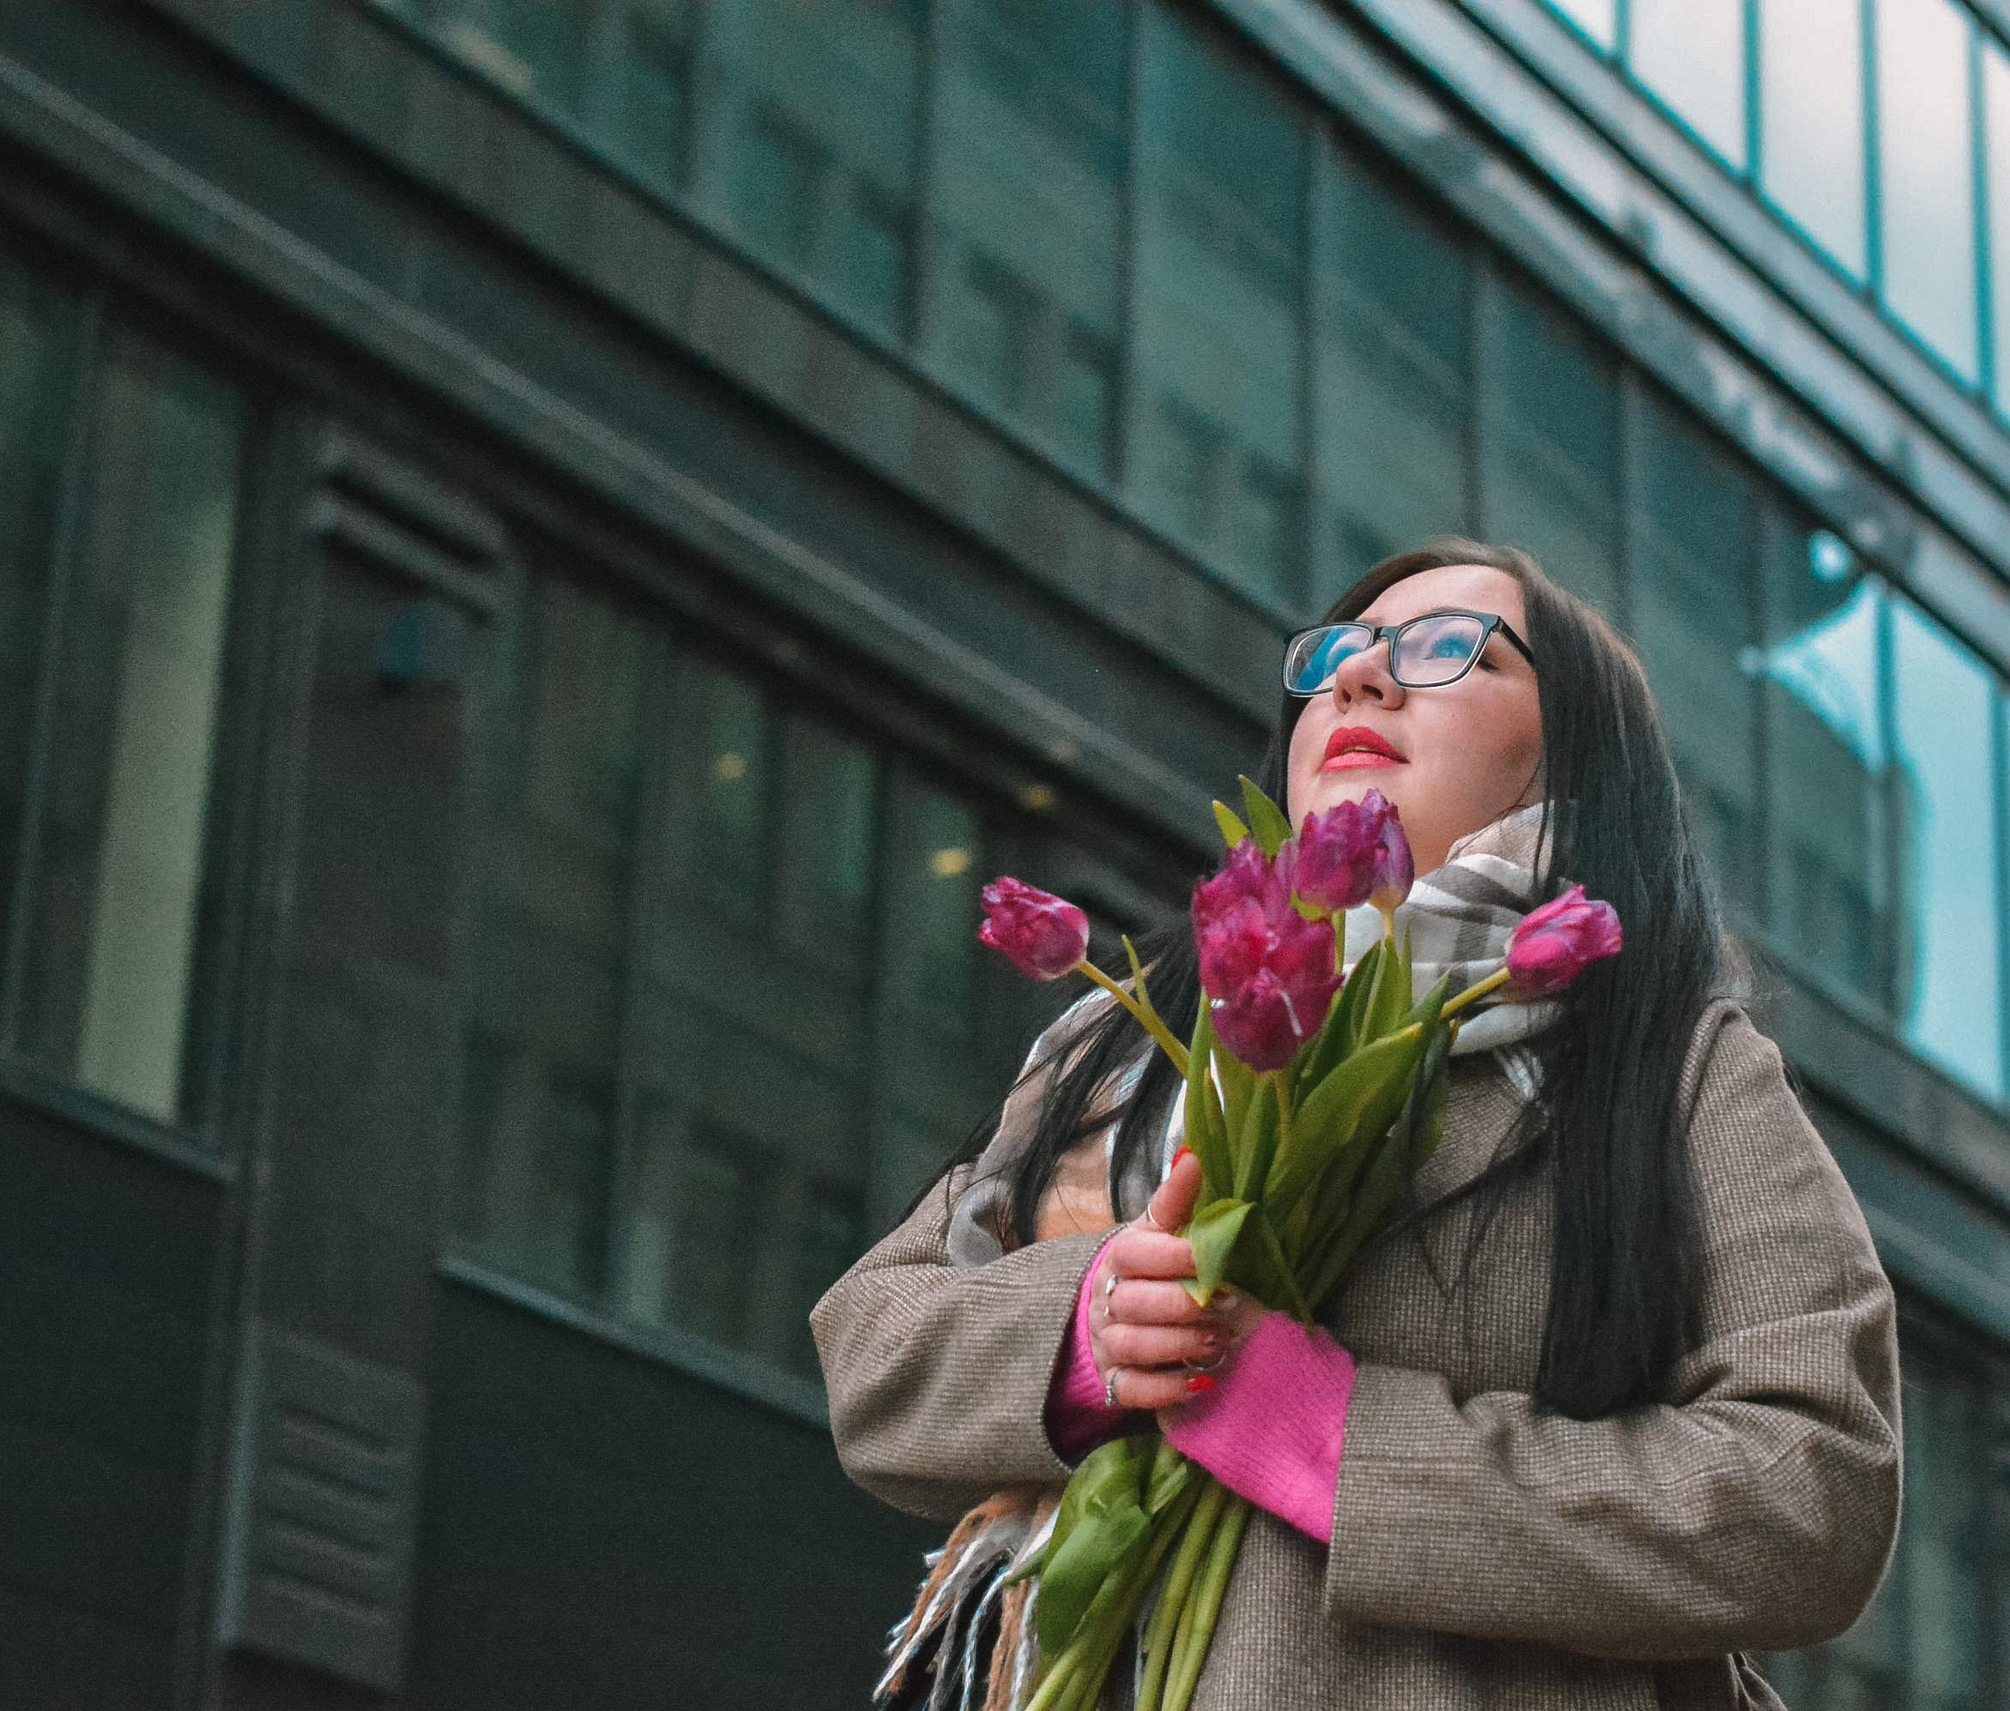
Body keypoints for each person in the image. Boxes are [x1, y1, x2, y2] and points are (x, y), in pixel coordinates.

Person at [811, 538, 1903, 1709]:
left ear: (1573, 753)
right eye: (1338, 655)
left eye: (1444, 650)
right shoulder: (1122, 1039)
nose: (1360, 680)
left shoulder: (1670, 1069)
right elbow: (873, 1350)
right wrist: (1084, 1338)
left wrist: (1340, 1445)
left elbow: (1810, 1493)